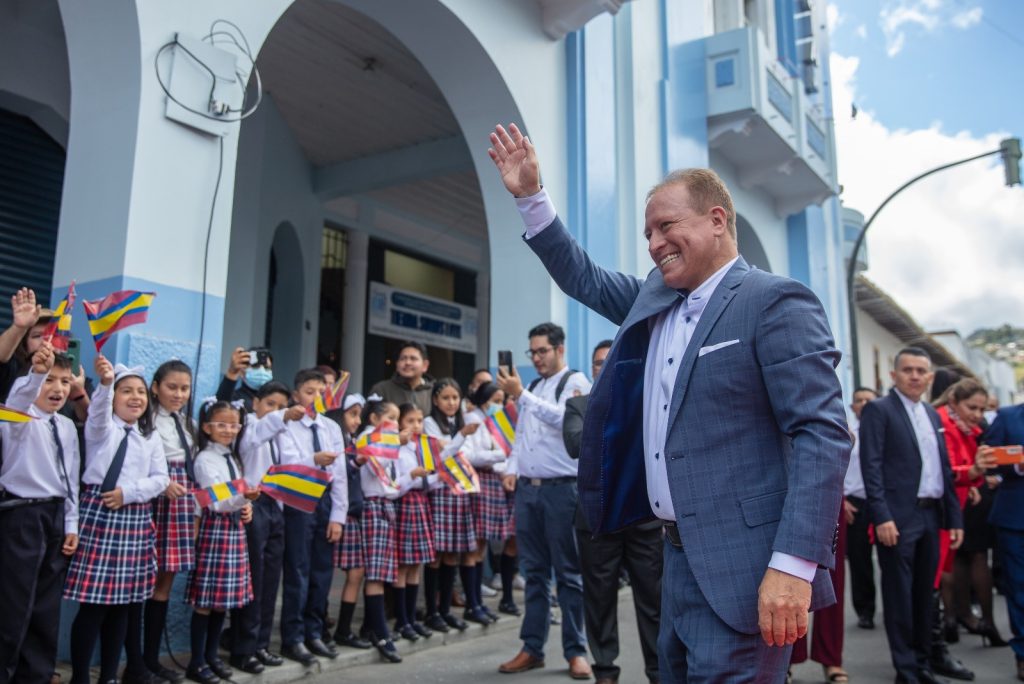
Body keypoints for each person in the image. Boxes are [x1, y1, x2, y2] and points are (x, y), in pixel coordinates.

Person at [488, 123, 848, 682]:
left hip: (747, 569)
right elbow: (579, 274)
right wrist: (530, 197)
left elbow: (821, 435)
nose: (654, 243)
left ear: (717, 219)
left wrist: (793, 566)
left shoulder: (774, 301)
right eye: (647, 233)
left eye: (666, 226)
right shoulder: (651, 302)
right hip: (674, 561)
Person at [860, 347, 964, 684]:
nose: (915, 376)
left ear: (931, 377)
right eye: (908, 370)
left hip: (931, 517)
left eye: (922, 371)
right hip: (898, 519)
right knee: (899, 596)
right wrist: (882, 516)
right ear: (894, 375)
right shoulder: (879, 410)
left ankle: (922, 663)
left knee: (924, 595)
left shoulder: (932, 415)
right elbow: (870, 466)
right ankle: (906, 670)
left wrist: (954, 518)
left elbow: (942, 469)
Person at [494, 321, 592, 679]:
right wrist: (511, 466)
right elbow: (522, 436)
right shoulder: (533, 385)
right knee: (532, 571)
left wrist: (522, 395)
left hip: (562, 489)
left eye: (542, 351)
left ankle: (576, 651)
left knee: (568, 573)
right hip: (528, 489)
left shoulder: (577, 382)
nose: (536, 358)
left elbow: (565, 419)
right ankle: (532, 647)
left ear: (559, 349)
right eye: (532, 352)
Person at [64, 357, 169, 684]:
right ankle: (81, 678)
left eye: (140, 391)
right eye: (126, 391)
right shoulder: (102, 428)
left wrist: (130, 492)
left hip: (134, 519)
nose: (136, 397)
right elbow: (96, 412)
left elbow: (161, 479)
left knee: (123, 607)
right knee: (93, 607)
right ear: (114, 397)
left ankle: (109, 676)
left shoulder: (149, 437)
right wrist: (106, 383)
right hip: (99, 515)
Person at [563, 339, 661, 684]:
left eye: (611, 361)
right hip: (598, 518)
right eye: (598, 363)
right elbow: (576, 445)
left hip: (643, 517)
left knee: (653, 601)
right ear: (592, 369)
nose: (604, 367)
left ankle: (658, 671)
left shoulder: (644, 404)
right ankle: (605, 670)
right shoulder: (578, 405)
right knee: (599, 599)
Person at [0, 344, 79, 684]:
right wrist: (35, 372)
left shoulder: (65, 426)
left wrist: (72, 524)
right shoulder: (15, 418)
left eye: (64, 381)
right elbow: (17, 400)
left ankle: (36, 674)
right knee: (13, 604)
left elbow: (71, 476)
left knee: (46, 606)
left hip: (56, 517)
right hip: (22, 517)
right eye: (49, 380)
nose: (58, 389)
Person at [231, 381, 306, 672]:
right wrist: (283, 416)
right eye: (270, 404)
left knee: (271, 577)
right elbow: (256, 437)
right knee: (255, 579)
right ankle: (243, 648)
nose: (275, 410)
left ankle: (261, 644)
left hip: (276, 505)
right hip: (254, 504)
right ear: (255, 404)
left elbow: (291, 463)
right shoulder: (249, 426)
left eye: (281, 406)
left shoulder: (281, 433)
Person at [131, 360, 197, 684]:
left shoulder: (184, 422)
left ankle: (151, 658)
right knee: (143, 581)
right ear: (155, 387)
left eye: (184, 388)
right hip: (156, 500)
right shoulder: (146, 421)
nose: (179, 394)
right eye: (172, 387)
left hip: (180, 501)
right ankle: (135, 663)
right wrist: (161, 482)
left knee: (165, 582)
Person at [276, 369, 347, 666]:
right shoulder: (288, 424)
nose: (315, 397)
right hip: (298, 497)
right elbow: (286, 464)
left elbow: (340, 474)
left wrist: (338, 516)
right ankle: (292, 637)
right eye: (309, 391)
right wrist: (313, 461)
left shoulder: (331, 427)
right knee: (298, 569)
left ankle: (314, 630)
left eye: (321, 392)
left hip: (325, 500)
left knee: (322, 571)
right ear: (296, 395)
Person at [183, 399, 256, 684]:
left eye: (234, 425)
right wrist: (243, 499)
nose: (228, 430)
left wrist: (245, 506)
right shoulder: (205, 459)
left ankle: (212, 656)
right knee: (206, 599)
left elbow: (235, 496)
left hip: (233, 529)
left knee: (221, 601)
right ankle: (197, 661)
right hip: (215, 530)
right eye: (221, 425)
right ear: (206, 427)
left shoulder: (232, 458)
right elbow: (215, 501)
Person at [935, 379, 1005, 649]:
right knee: (960, 558)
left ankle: (958, 617)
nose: (977, 414)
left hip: (966, 494)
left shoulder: (962, 424)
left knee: (963, 557)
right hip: (952, 498)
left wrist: (973, 482)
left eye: (981, 409)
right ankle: (961, 617)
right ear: (954, 402)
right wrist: (973, 475)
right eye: (972, 407)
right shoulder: (945, 422)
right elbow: (951, 466)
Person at [422, 379, 483, 629]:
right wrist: (460, 437)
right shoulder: (429, 423)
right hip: (439, 491)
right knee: (436, 554)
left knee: (452, 554)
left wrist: (459, 437)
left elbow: (464, 455)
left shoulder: (460, 422)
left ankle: (446, 609)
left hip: (459, 492)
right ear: (435, 400)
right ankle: (431, 611)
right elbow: (440, 456)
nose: (451, 403)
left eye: (455, 398)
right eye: (445, 398)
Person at [353, 398, 405, 663]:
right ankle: (381, 633)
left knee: (382, 572)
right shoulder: (367, 439)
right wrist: (395, 441)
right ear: (374, 419)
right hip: (373, 506)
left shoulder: (384, 440)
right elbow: (378, 467)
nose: (396, 424)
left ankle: (371, 627)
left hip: (385, 506)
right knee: (375, 573)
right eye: (392, 418)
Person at [467, 381, 521, 616]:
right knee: (477, 544)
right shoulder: (474, 421)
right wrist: (501, 455)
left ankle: (483, 602)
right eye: (495, 401)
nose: (499, 405)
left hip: (502, 483)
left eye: (502, 401)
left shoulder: (503, 422)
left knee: (491, 541)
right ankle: (474, 602)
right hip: (483, 482)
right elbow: (471, 455)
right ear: (483, 399)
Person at [981, 400, 1024, 681]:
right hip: (1015, 517)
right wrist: (1016, 465)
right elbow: (987, 460)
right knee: (1019, 586)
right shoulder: (1008, 417)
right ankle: (1022, 653)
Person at [328, 394, 373, 650]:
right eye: (351, 414)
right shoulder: (335, 442)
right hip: (337, 514)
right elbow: (338, 471)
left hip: (353, 513)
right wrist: (355, 462)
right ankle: (321, 623)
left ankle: (343, 629)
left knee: (356, 572)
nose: (357, 421)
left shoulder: (354, 441)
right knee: (323, 574)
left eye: (359, 415)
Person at [393, 403, 438, 641]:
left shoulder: (421, 448)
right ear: (400, 424)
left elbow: (430, 479)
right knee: (403, 565)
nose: (416, 426)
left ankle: (411, 617)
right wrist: (412, 476)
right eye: (410, 421)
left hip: (421, 504)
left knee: (417, 565)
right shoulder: (397, 450)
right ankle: (401, 620)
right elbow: (394, 485)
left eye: (419, 421)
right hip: (405, 505)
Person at [844, 386, 879, 632]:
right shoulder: (847, 435)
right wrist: (841, 500)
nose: (864, 404)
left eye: (869, 400)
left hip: (882, 503)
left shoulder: (885, 432)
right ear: (852, 407)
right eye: (859, 400)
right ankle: (865, 610)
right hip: (855, 503)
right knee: (860, 561)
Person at [0, 288, 53, 401]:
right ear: (24, 344)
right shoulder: (13, 370)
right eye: (37, 336)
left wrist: (79, 395)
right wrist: (20, 327)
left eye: (52, 336)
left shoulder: (77, 378)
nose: (45, 342)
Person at [369, 341, 434, 415]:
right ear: (397, 364)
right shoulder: (382, 390)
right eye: (403, 358)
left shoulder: (433, 392)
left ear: (425, 365)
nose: (407, 363)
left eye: (413, 359)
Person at [216, 347, 274, 412]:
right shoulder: (235, 399)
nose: (262, 371)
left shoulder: (278, 399)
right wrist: (232, 373)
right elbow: (220, 409)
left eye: (266, 368)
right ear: (242, 372)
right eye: (255, 366)